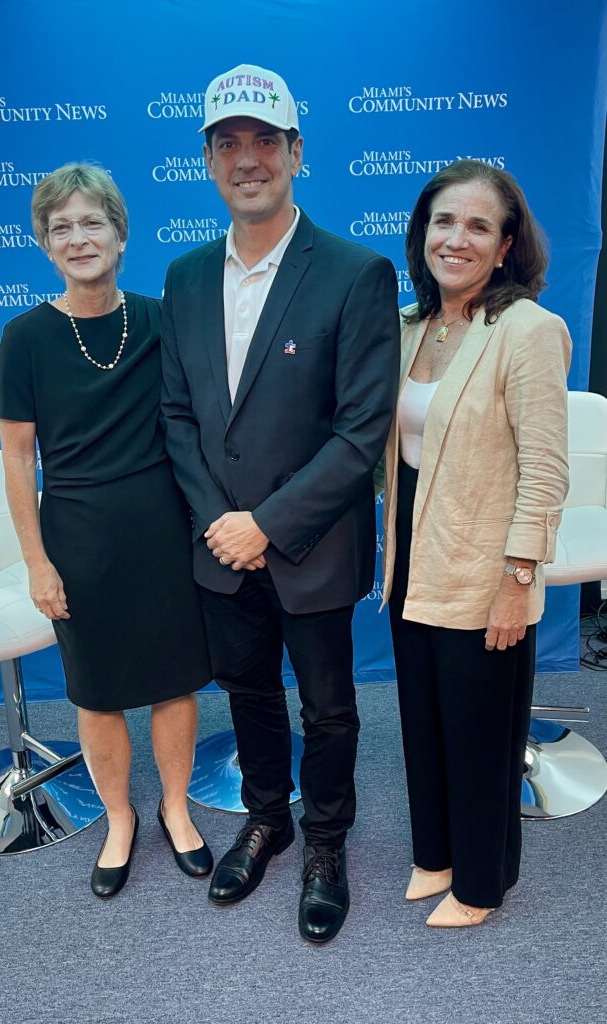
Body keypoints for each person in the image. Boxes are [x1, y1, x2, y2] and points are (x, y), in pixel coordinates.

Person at [161, 63, 400, 944]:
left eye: (265, 140)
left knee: (328, 709)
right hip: (220, 549)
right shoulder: (185, 277)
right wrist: (222, 527)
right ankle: (269, 820)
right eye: (228, 143)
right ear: (207, 162)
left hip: (312, 545)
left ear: (297, 152)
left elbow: (360, 431)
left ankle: (326, 843)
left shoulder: (354, 272)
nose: (247, 159)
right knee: (248, 693)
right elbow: (178, 416)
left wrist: (266, 524)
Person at [0, 163, 213, 898]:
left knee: (174, 681)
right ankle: (119, 817)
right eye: (61, 228)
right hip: (77, 537)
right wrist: (36, 562)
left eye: (92, 223)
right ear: (45, 246)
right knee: (97, 691)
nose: (78, 238)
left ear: (121, 235)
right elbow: (18, 459)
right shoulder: (24, 337)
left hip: (163, 530)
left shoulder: (160, 319)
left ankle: (175, 807)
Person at [381, 159, 571, 927]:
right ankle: (435, 854)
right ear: (421, 234)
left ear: (504, 246)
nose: (455, 239)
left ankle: (480, 884)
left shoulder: (527, 330)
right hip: (410, 557)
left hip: (487, 564)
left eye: (477, 226)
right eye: (443, 222)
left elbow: (545, 469)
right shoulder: (409, 326)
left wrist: (517, 580)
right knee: (423, 719)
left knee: (479, 733)